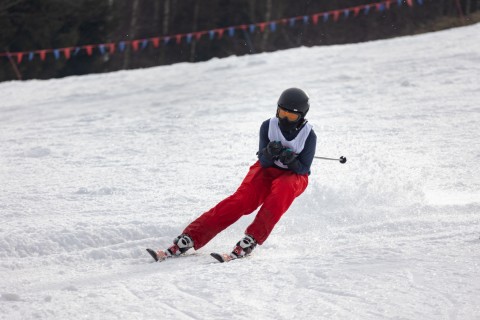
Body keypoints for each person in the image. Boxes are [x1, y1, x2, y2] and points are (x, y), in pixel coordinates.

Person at [148, 88, 317, 261]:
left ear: (302, 116)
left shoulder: (308, 135)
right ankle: (191, 236)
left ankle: (252, 238)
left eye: (291, 116)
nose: (285, 119)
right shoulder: (268, 126)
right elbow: (264, 162)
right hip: (266, 170)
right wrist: (268, 152)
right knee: (242, 200)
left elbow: (304, 169)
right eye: (282, 112)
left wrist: (292, 161)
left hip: (293, 177)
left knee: (280, 192)